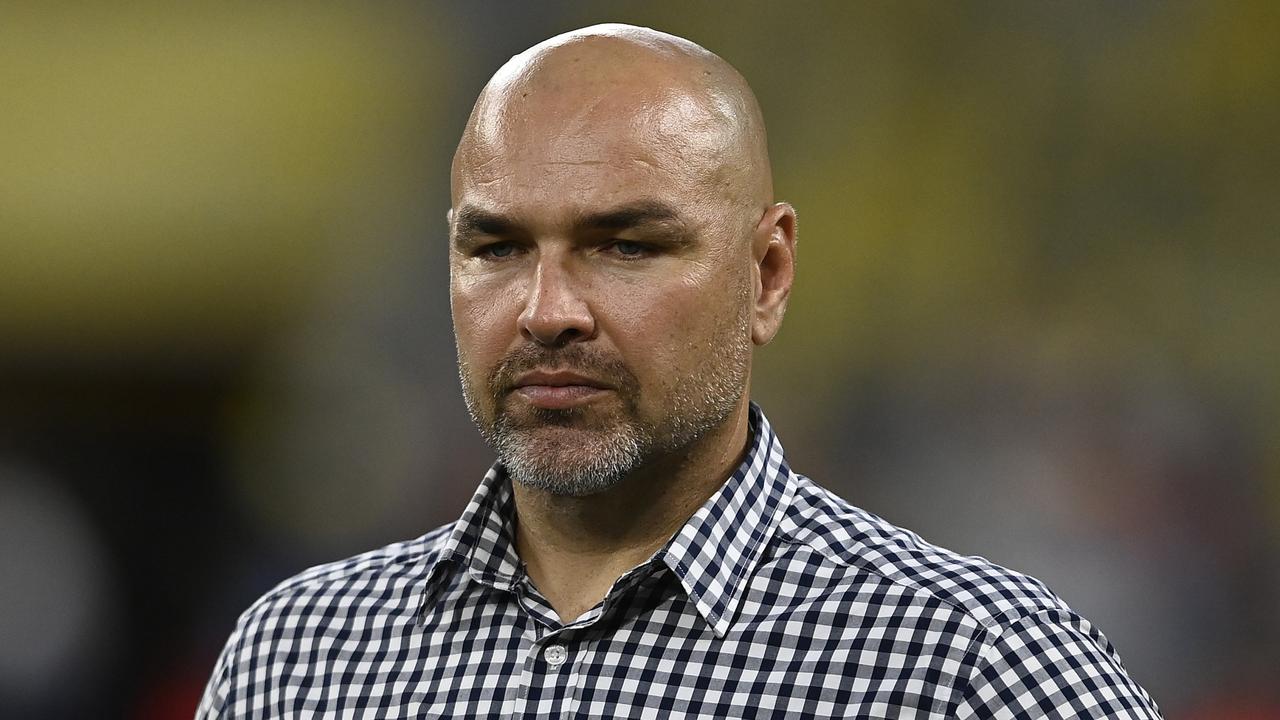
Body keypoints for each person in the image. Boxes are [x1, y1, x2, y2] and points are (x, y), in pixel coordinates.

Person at [197, 24, 1162, 719]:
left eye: (625, 247)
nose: (547, 312)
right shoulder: (297, 661)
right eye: (494, 248)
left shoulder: (980, 672)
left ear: (767, 275)